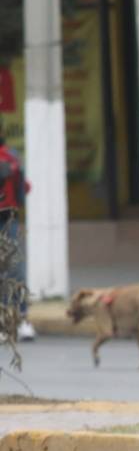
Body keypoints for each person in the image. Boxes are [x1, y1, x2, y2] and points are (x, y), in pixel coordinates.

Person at [0, 127, 34, 341]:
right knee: (13, 272)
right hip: (10, 217)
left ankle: (20, 320)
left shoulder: (10, 156)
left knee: (14, 271)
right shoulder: (12, 156)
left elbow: (24, 186)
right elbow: (26, 187)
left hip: (8, 218)